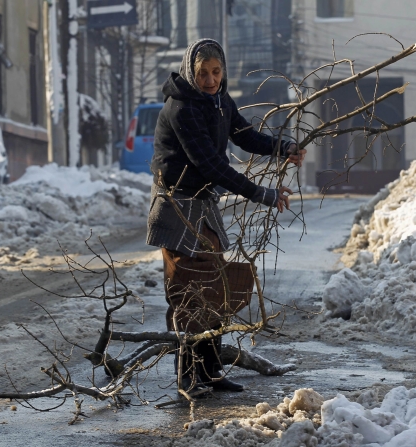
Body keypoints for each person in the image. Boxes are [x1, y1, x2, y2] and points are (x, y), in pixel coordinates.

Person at [146, 38, 306, 393]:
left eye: (216, 72)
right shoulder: (181, 108)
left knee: (214, 287)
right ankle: (188, 376)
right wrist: (261, 194)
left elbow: (245, 136)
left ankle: (212, 372)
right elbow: (211, 164)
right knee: (187, 290)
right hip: (177, 207)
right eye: (202, 73)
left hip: (203, 205)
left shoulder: (219, 101)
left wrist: (284, 147)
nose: (209, 79)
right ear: (191, 71)